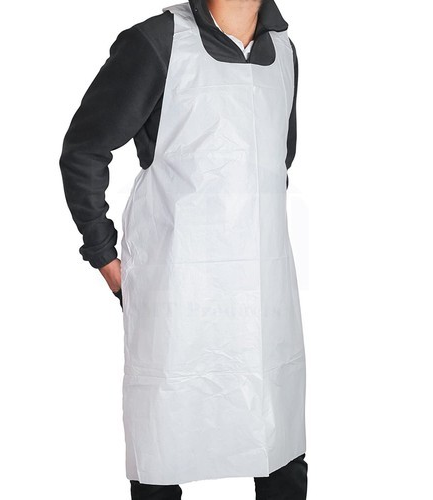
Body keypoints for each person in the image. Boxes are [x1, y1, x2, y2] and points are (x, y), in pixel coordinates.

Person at [59, 0, 307, 498]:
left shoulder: (284, 51)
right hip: (178, 285)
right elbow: (84, 150)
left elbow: (277, 162)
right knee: (163, 438)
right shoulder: (158, 42)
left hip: (263, 287)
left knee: (278, 440)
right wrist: (105, 257)